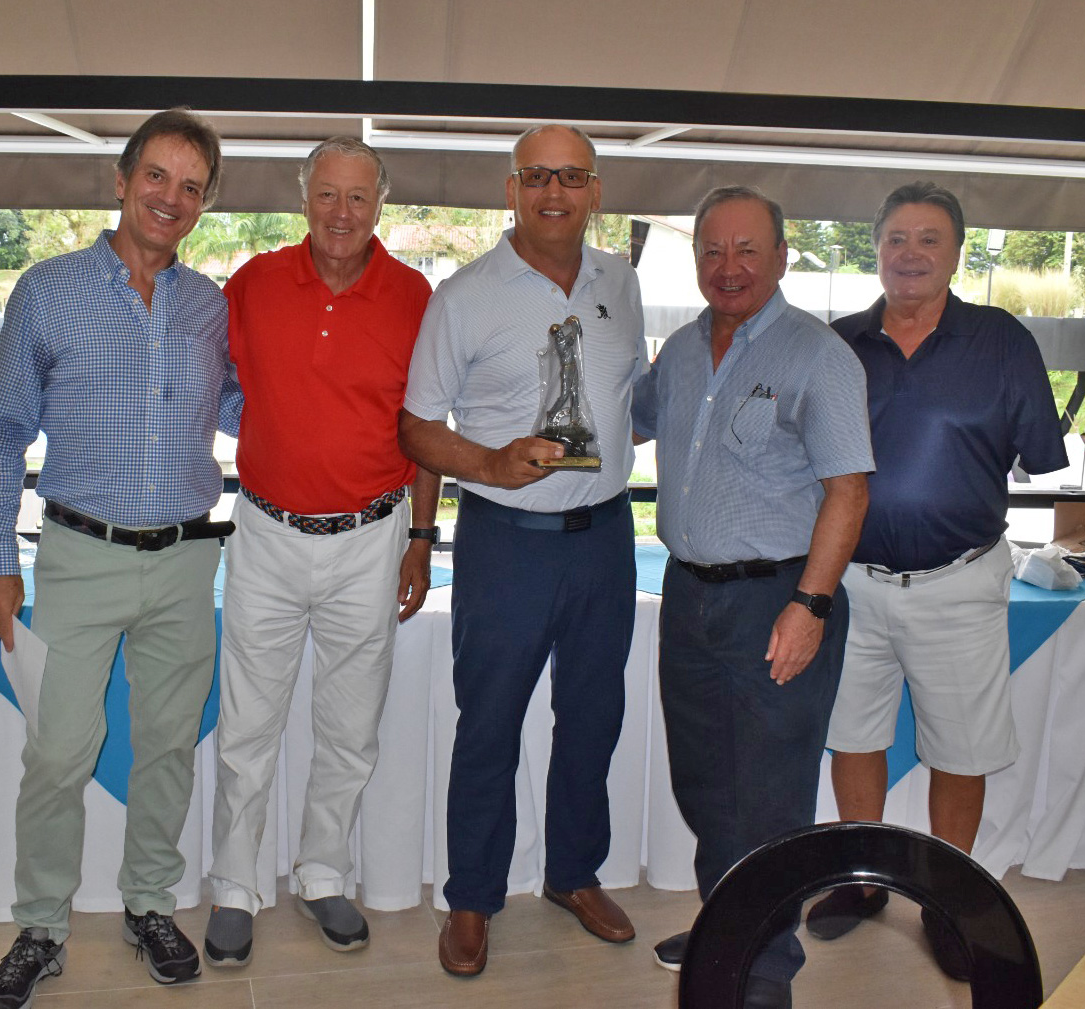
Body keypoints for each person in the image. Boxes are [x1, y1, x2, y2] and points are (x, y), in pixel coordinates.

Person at [0, 108, 239, 1008]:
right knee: (58, 752)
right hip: (79, 556)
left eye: (191, 186)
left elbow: (246, 409)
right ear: (121, 182)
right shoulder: (48, 291)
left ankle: (149, 903)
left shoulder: (209, 306)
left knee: (168, 746)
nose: (171, 197)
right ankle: (41, 925)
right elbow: (1, 432)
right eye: (156, 176)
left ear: (203, 204)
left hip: (186, 560)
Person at [399, 124, 647, 977]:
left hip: (605, 540)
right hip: (506, 543)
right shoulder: (463, 296)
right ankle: (472, 896)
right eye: (536, 176)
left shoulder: (623, 282)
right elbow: (417, 427)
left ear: (595, 193)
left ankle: (573, 873)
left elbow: (630, 397)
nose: (554, 191)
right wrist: (489, 463)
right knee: (490, 724)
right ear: (511, 190)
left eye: (572, 177)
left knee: (593, 717)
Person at [806, 182, 1067, 979]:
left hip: (960, 582)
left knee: (961, 747)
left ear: (956, 252)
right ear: (875, 249)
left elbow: (1039, 456)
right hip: (851, 581)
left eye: (929, 239)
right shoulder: (837, 344)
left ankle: (951, 897)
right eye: (896, 238)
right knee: (854, 733)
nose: (911, 253)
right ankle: (862, 879)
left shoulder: (1003, 341)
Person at [632, 185, 873, 1009]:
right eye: (712, 249)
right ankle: (728, 925)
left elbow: (849, 491)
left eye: (746, 249)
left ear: (781, 257)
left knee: (769, 795)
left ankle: (765, 971)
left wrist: (811, 605)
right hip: (688, 595)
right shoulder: (681, 350)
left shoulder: (818, 354)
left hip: (779, 598)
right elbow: (625, 419)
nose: (727, 266)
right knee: (705, 784)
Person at [203, 137, 438, 966]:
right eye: (327, 194)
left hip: (370, 540)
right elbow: (212, 383)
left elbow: (426, 431)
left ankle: (323, 872)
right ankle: (235, 886)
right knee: (247, 726)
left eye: (358, 197)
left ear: (381, 205)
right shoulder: (254, 283)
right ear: (304, 196)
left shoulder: (415, 297)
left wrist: (420, 538)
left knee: (349, 726)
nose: (342, 213)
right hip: (265, 533)